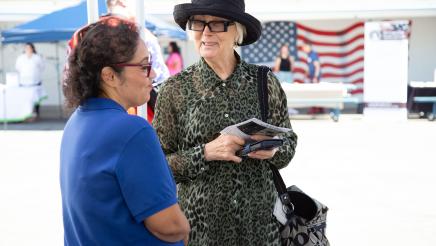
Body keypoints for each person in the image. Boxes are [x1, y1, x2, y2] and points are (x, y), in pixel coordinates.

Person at [153, 0, 298, 245]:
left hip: (259, 229)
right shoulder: (173, 90)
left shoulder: (264, 81)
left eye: (218, 23)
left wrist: (272, 150)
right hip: (201, 232)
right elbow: (158, 167)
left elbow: (289, 144)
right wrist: (206, 152)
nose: (206, 32)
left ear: (237, 31)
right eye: (198, 23)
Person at [60, 17, 190, 245]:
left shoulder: (76, 122)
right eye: (143, 66)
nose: (152, 74)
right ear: (109, 75)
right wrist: (184, 228)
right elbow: (169, 225)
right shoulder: (132, 130)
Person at [67, 0, 170, 122]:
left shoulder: (84, 34)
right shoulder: (142, 36)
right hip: (139, 115)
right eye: (144, 67)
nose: (152, 73)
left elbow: (70, 80)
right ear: (122, 2)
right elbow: (161, 84)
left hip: (91, 111)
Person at [15, 42, 45, 119]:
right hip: (24, 83)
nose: (28, 49)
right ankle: (25, 114)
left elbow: (42, 67)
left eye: (29, 48)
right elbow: (17, 68)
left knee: (36, 98)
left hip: (35, 82)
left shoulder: (37, 57)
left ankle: (36, 113)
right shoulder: (20, 58)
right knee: (25, 99)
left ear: (32, 49)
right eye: (26, 48)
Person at [302, 43, 324, 114]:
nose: (304, 49)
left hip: (315, 78)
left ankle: (314, 109)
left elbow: (317, 66)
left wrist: (315, 77)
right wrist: (306, 74)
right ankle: (320, 109)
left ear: (309, 47)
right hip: (312, 77)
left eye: (305, 47)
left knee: (314, 93)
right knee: (316, 93)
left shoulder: (313, 54)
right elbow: (310, 67)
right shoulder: (309, 55)